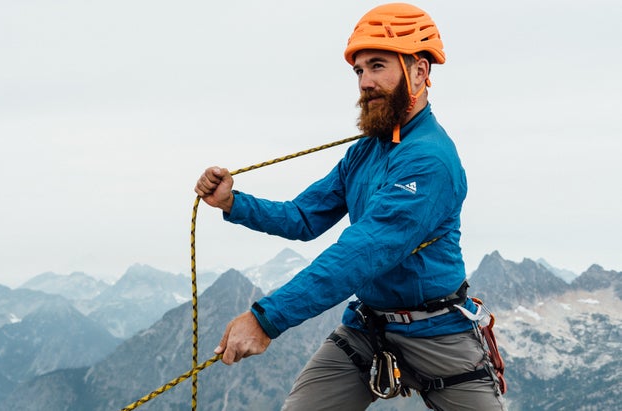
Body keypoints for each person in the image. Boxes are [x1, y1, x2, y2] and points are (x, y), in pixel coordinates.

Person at [194, 3, 506, 410]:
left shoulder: (430, 161)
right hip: (369, 328)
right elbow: (304, 217)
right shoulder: (366, 151)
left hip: (438, 335)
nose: (364, 82)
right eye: (359, 71)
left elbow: (362, 251)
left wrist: (266, 318)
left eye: (378, 66)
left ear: (420, 72)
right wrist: (233, 202)